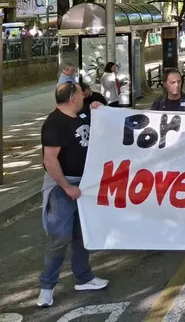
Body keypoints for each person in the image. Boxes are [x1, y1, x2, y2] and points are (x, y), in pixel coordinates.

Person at [37, 82, 109, 307]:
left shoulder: (81, 115)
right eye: (80, 93)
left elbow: (100, 120)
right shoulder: (54, 123)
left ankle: (84, 277)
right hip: (63, 186)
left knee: (81, 233)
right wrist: (67, 187)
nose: (84, 95)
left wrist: (99, 107)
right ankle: (47, 287)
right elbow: (49, 160)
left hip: (84, 186)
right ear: (72, 98)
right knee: (60, 237)